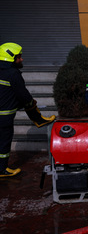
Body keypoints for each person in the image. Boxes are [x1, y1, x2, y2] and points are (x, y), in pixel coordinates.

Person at [0, 42, 55, 177]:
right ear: (11, 58)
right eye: (19, 57)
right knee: (4, 143)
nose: (21, 59)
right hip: (4, 117)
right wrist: (31, 103)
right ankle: (2, 170)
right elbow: (23, 94)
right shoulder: (13, 73)